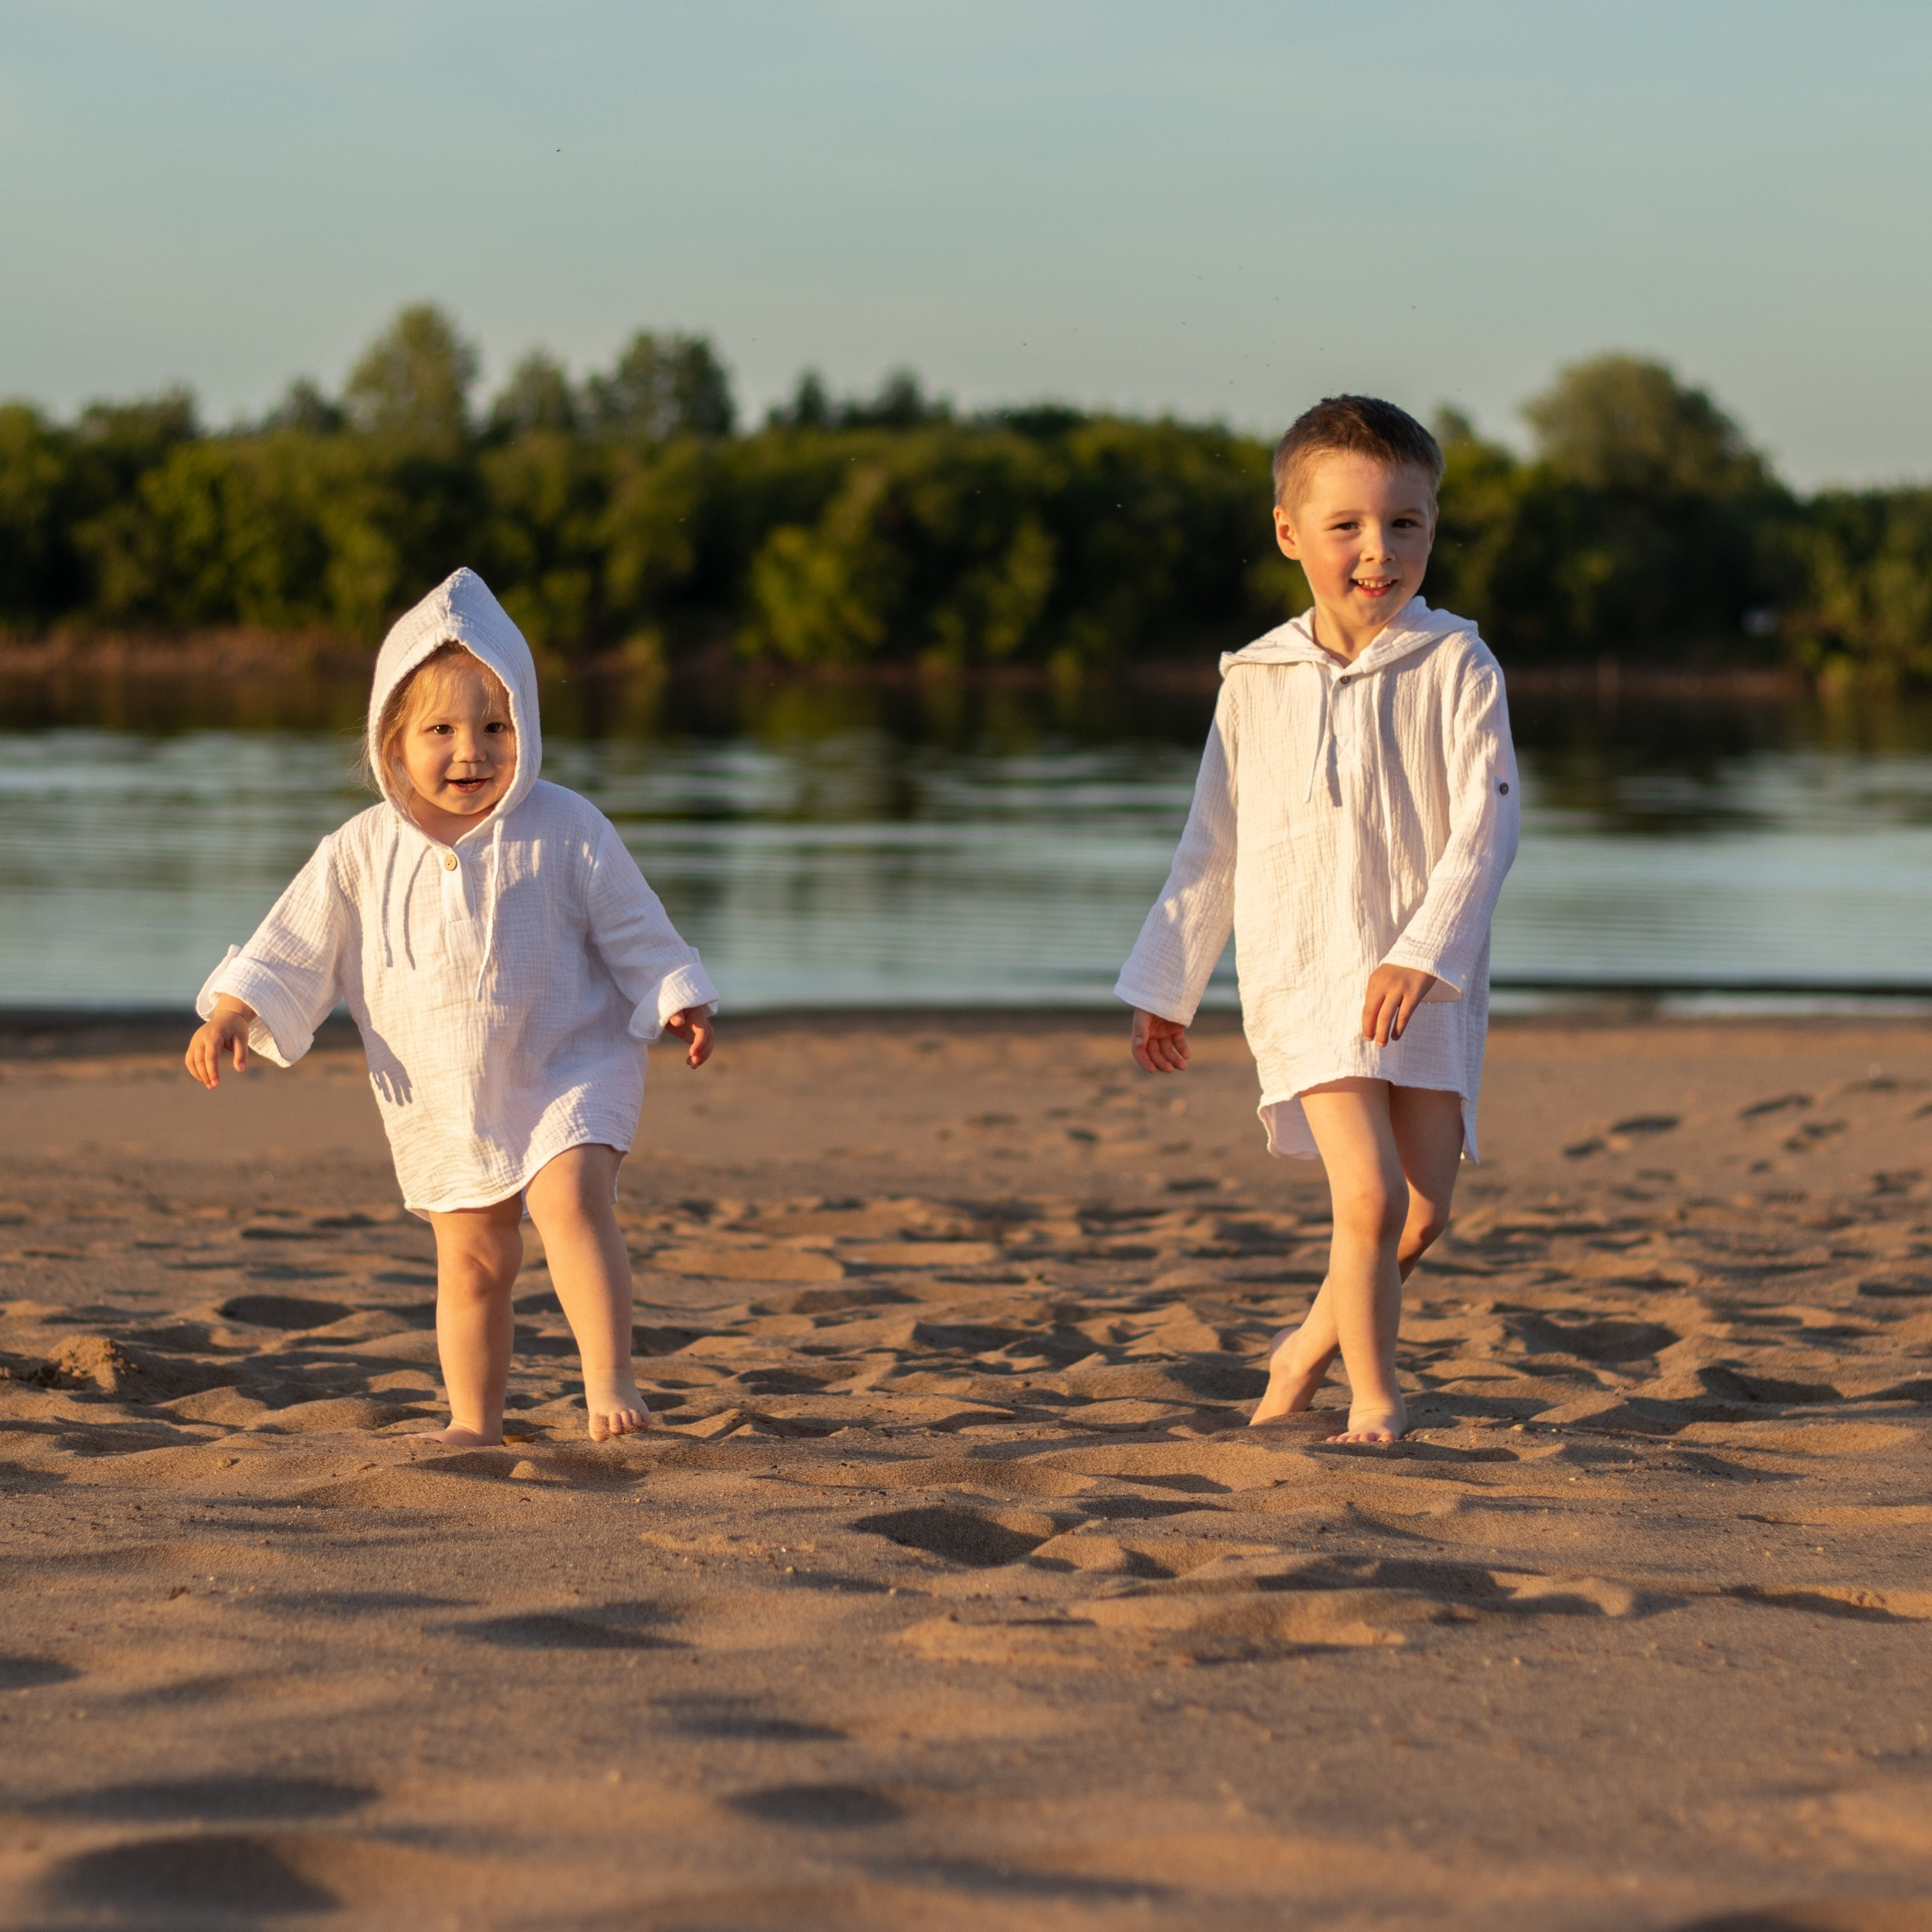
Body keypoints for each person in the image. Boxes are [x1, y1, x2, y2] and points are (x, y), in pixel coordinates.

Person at [183, 568, 715, 1445]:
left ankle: (610, 1382)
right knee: (474, 1262)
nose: (471, 752)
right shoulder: (358, 850)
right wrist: (236, 1008)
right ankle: (474, 1420)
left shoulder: (568, 825)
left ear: (526, 728)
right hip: (441, 1094)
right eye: (441, 730)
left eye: (495, 727)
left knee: (573, 1206)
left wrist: (677, 994)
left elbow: (634, 923)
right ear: (393, 740)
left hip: (568, 1065)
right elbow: (295, 943)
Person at [1115, 396, 1518, 1443]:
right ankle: (1375, 1398)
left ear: (1434, 525)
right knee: (1371, 1201)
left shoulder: (1460, 666)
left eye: (1406, 524)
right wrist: (1169, 985)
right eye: (1347, 527)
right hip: (1303, 976)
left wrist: (1425, 954)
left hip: (1424, 981)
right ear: (1291, 534)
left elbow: (1487, 833)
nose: (1377, 553)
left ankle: (1304, 1343)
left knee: (1423, 1212)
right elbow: (1213, 845)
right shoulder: (1255, 680)